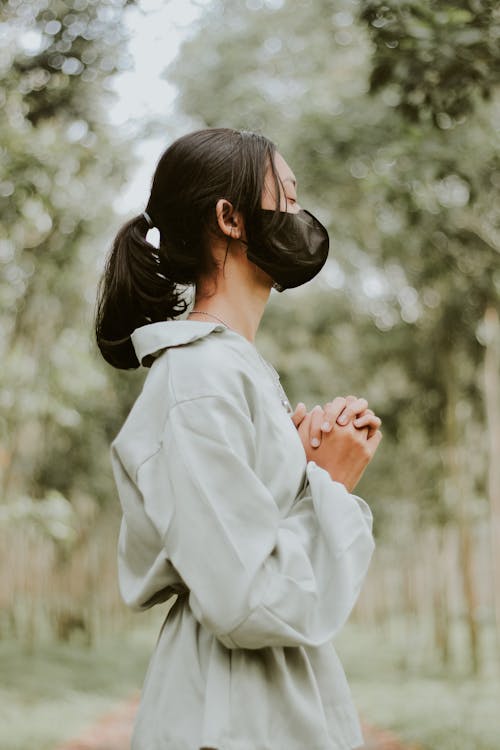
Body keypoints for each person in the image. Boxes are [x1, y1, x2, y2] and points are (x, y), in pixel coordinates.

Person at [95, 127, 382, 750]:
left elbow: (244, 541)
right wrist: (331, 484)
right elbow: (246, 601)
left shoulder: (233, 368)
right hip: (229, 719)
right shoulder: (198, 378)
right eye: (287, 196)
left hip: (266, 704)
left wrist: (302, 477)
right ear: (230, 217)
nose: (301, 217)